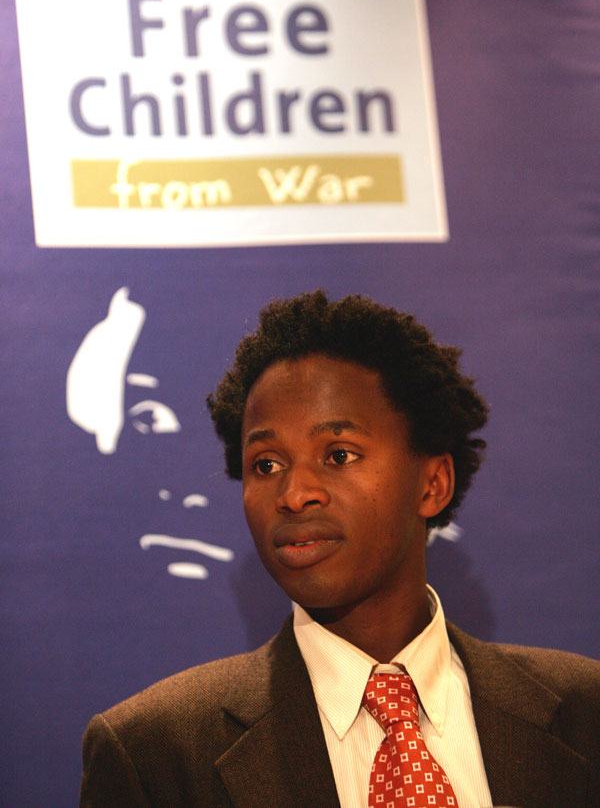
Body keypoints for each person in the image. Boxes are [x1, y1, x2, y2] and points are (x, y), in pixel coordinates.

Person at [80, 291, 600, 808]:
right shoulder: (153, 755)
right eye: (266, 464)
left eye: (339, 454)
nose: (294, 494)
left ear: (433, 483)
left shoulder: (586, 713)